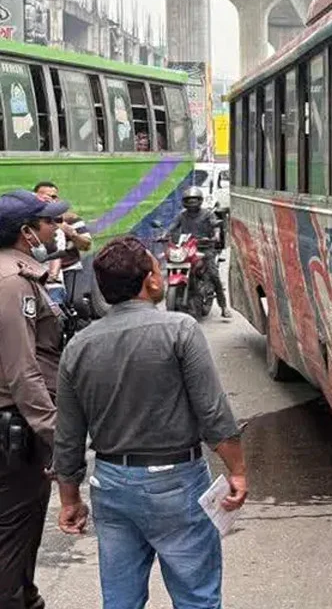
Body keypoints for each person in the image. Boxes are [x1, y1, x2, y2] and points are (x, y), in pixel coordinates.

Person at [53, 236, 248, 608]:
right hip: (177, 482)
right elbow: (212, 411)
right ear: (151, 281)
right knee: (197, 598)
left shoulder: (78, 346)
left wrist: (70, 499)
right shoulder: (179, 330)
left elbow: (68, 435)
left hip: (111, 484)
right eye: (156, 267)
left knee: (120, 600)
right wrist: (237, 470)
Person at [0, 189, 70, 609]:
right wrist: (57, 434)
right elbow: (23, 372)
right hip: (16, 428)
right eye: (49, 222)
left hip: (16, 425)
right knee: (13, 536)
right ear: (26, 232)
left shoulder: (16, 273)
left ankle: (25, 597)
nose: (56, 228)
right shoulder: (13, 283)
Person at [167, 185, 230, 319]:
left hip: (205, 247)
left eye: (194, 200)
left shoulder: (207, 214)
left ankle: (223, 306)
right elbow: (172, 227)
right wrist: (164, 235)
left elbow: (214, 224)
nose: (191, 203)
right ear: (184, 202)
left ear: (200, 200)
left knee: (213, 275)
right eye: (189, 200)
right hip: (187, 247)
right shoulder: (182, 215)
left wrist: (215, 235)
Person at [33, 181, 92, 308]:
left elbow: (86, 246)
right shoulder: (31, 220)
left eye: (53, 197)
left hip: (69, 267)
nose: (50, 200)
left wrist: (72, 234)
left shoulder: (71, 219)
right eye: (44, 197)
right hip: (42, 271)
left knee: (77, 303)